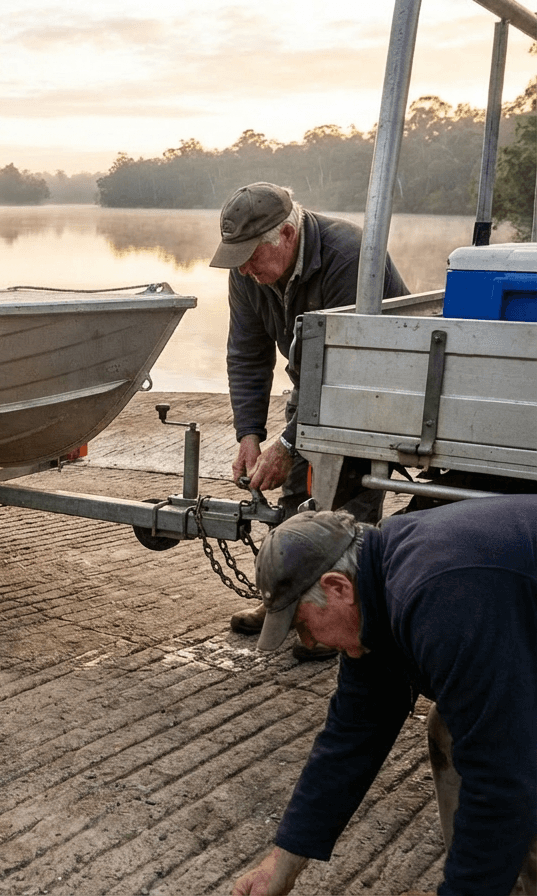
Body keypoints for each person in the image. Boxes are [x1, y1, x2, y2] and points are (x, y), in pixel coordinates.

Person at [231, 497, 537, 896]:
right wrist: (282, 863)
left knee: (500, 758)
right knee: (451, 727)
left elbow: (500, 776)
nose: (308, 641)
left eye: (303, 624)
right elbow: (351, 736)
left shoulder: (439, 598)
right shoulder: (375, 589)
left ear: (337, 587)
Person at [209, 182, 410, 658]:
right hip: (316, 380)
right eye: (237, 258)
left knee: (347, 496)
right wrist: (250, 434)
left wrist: (287, 444)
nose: (245, 268)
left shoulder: (350, 257)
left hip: (375, 382)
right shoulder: (247, 272)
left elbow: (350, 368)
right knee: (297, 496)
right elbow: (247, 353)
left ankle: (343, 615)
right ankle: (288, 599)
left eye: (251, 255)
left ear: (286, 234)